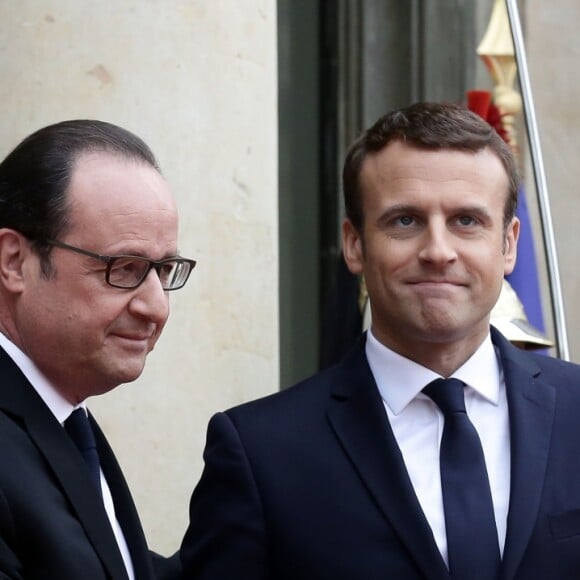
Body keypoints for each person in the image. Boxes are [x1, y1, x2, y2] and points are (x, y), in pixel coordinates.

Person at [181, 101, 580, 579]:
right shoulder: (261, 452)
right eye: (405, 221)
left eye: (466, 221)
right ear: (355, 244)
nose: (437, 251)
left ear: (509, 244)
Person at [0, 120, 194, 579]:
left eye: (163, 271)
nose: (156, 307)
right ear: (13, 262)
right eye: (123, 268)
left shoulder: (63, 417)